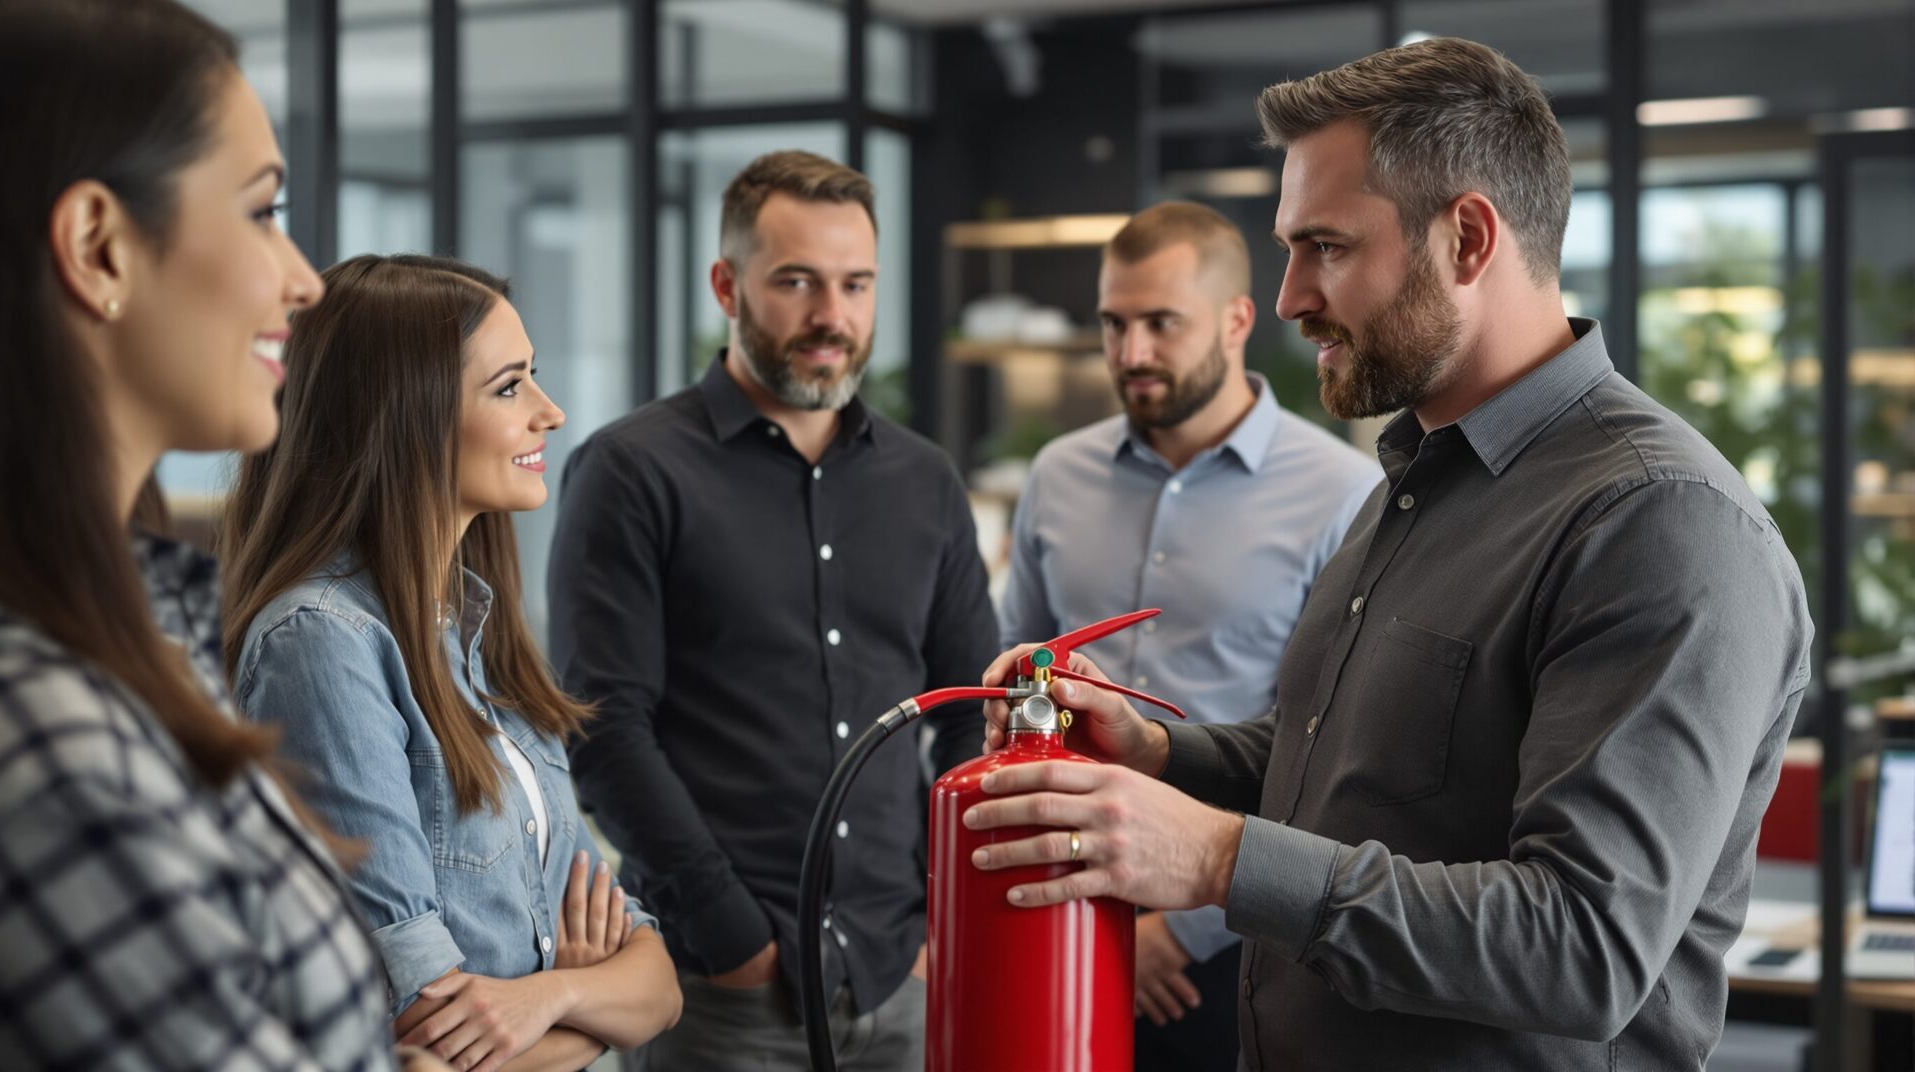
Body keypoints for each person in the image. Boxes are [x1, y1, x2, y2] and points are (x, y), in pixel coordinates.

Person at [965, 37, 1812, 1071]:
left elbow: (1584, 947)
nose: (1289, 299)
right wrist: (1157, 752)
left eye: (1324, 246)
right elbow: (1339, 765)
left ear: (1467, 238)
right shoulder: (1417, 477)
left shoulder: (1659, 522)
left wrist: (1218, 858)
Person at [0, 0, 419, 1067]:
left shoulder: (147, 629)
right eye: (263, 211)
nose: (304, 278)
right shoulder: (51, 751)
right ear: (99, 248)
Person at [548, 150, 999, 1071]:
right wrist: (733, 939)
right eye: (797, 282)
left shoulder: (926, 481)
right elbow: (604, 728)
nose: (832, 315)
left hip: (900, 979)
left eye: (855, 284)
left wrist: (935, 918)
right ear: (727, 285)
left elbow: (969, 716)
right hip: (720, 996)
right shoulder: (631, 471)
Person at [222, 254, 681, 1072]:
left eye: (533, 377)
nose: (550, 412)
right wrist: (593, 1012)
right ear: (407, 416)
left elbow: (660, 989)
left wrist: (549, 998)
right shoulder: (321, 642)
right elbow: (427, 1033)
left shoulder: (476, 636)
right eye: (509, 388)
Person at [997, 200, 1378, 1067]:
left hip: (1235, 932)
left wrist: (1182, 931)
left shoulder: (1342, 494)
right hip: (1053, 899)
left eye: (1162, 323)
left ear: (1237, 320)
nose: (1132, 352)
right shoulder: (1057, 475)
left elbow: (1331, 756)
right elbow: (1016, 683)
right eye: (1114, 323)